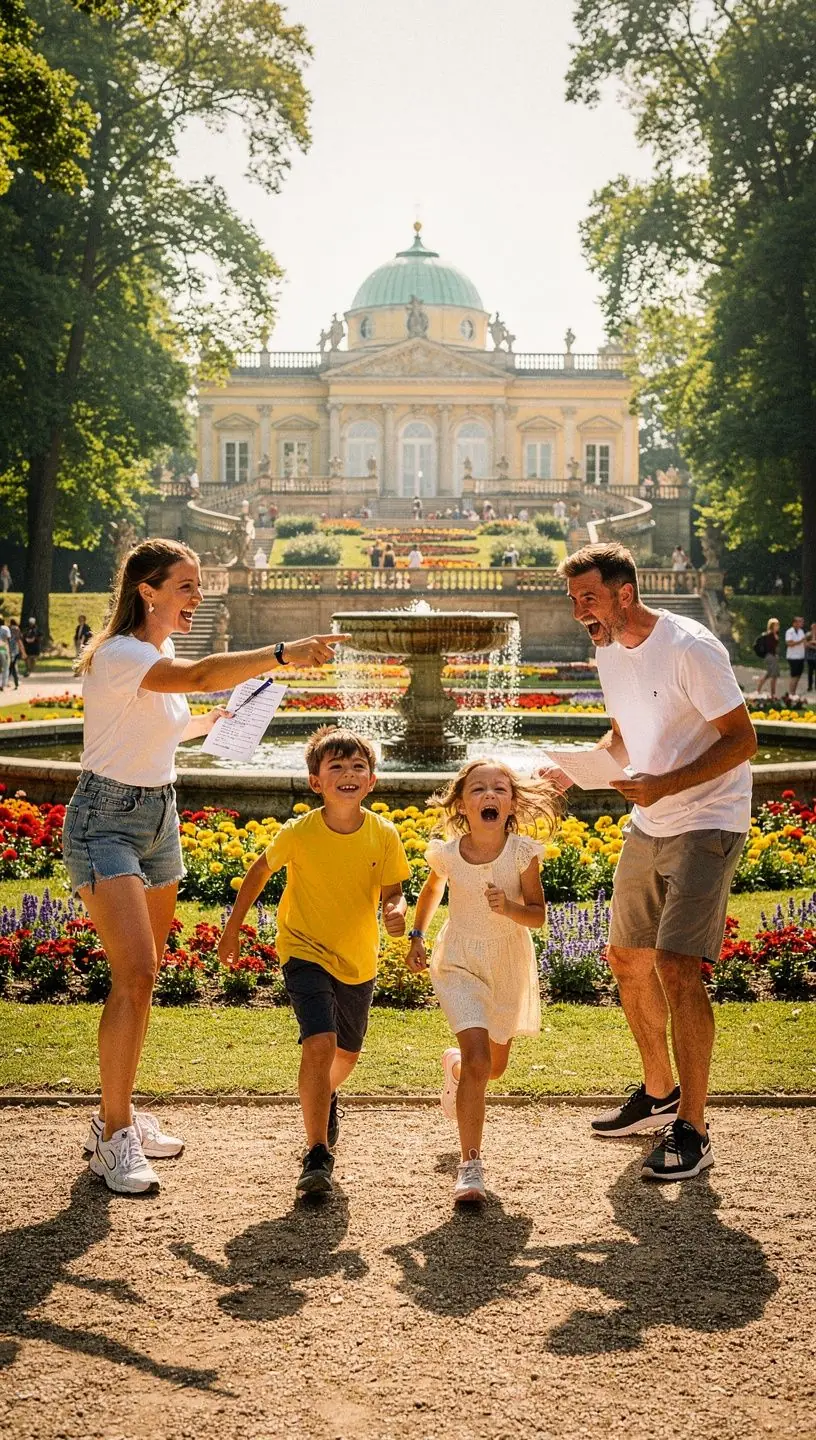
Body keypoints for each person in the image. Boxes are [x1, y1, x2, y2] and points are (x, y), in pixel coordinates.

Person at [64, 537, 347, 1196]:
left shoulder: (154, 656)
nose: (197, 596)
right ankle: (112, 1138)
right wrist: (281, 654)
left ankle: (120, 1115)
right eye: (187, 586)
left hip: (158, 815)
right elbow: (195, 677)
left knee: (145, 977)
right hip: (105, 819)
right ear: (148, 591)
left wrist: (218, 722)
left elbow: (168, 717)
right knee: (133, 973)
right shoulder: (120, 654)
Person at [555, 543, 755, 1181]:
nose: (579, 611)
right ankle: (658, 1093)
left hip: (708, 820)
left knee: (676, 966)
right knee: (627, 957)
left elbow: (743, 739)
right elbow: (624, 736)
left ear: (624, 592)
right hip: (652, 820)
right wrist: (569, 774)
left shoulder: (691, 647)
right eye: (573, 600)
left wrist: (669, 784)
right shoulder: (607, 648)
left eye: (588, 597)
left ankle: (693, 1128)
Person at [218, 727, 410, 1197]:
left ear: (372, 781)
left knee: (346, 1054)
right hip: (303, 948)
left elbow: (394, 889)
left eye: (357, 767)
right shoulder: (299, 832)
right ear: (315, 782)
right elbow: (259, 871)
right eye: (336, 767)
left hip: (358, 958)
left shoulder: (383, 834)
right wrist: (232, 926)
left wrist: (396, 910)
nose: (348, 774)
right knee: (319, 1044)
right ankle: (317, 1152)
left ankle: (324, 1097)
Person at [407, 761, 559, 1205]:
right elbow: (432, 890)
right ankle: (470, 1167)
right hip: (458, 961)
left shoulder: (522, 853)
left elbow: (538, 914)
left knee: (492, 1068)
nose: (489, 795)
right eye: (478, 789)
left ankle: (454, 1069)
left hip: (507, 962)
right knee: (480, 1060)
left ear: (511, 802)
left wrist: (509, 907)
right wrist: (417, 936)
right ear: (462, 804)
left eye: (499, 788)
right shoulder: (449, 854)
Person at [755, 618, 780, 698]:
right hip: (770, 656)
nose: (778, 626)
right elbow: (770, 647)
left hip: (773, 656)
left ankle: (758, 690)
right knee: (774, 675)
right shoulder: (769, 635)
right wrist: (774, 654)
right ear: (772, 626)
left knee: (768, 674)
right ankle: (773, 694)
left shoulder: (774, 634)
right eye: (776, 625)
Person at [784, 615, 806, 697]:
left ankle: (794, 692)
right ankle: (791, 693)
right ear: (795, 623)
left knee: (798, 675)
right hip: (793, 657)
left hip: (800, 656)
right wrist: (800, 641)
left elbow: (804, 643)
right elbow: (789, 643)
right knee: (794, 676)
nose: (802, 623)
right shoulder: (790, 632)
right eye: (800, 622)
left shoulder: (801, 631)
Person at [8, 618, 24, 689]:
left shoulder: (8, 629)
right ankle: (15, 683)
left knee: (11, 667)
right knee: (12, 667)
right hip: (15, 650)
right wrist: (23, 651)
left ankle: (10, 682)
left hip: (7, 650)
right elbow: (19, 640)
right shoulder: (17, 629)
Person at [0, 617, 10, 691]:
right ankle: (3, 684)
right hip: (3, 650)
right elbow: (8, 639)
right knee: (5, 668)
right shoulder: (5, 628)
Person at [806, 622, 816, 694]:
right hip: (810, 657)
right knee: (810, 672)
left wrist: (811, 643)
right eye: (813, 627)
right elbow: (806, 644)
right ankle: (809, 686)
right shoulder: (808, 634)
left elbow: (809, 643)